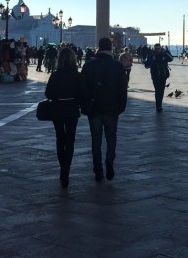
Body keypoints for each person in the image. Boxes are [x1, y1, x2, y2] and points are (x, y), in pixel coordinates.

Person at [82, 37, 128, 181]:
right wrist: (121, 106)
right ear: (111, 48)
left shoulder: (88, 66)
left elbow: (83, 88)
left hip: (94, 108)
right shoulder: (118, 66)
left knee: (96, 140)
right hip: (112, 108)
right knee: (111, 137)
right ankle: (109, 160)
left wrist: (85, 105)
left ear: (99, 48)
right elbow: (122, 89)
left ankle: (98, 170)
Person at [45, 47, 85, 188]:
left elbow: (48, 94)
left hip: (57, 109)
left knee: (60, 138)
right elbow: (82, 93)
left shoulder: (55, 75)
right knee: (70, 140)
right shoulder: (77, 75)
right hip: (72, 110)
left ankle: (63, 166)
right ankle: (66, 168)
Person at [145, 43, 173, 112]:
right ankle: (158, 106)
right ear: (154, 49)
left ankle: (160, 104)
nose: (157, 50)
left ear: (160, 48)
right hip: (155, 76)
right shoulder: (151, 55)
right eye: (156, 48)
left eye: (158, 48)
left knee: (162, 90)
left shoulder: (164, 54)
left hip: (163, 76)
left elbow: (171, 58)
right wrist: (152, 59)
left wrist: (166, 52)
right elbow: (146, 65)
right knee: (158, 91)